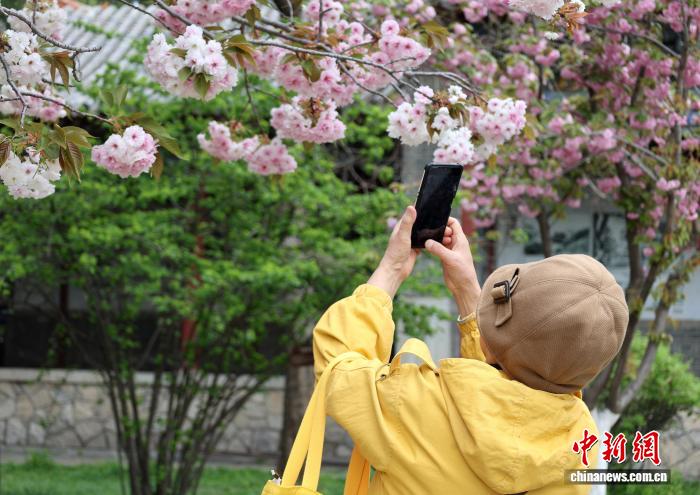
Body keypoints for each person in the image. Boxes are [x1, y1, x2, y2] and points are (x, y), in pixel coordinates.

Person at [312, 206, 629, 494]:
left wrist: (391, 269)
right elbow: (504, 390)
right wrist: (467, 292)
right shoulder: (580, 441)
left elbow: (336, 368)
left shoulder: (413, 403)